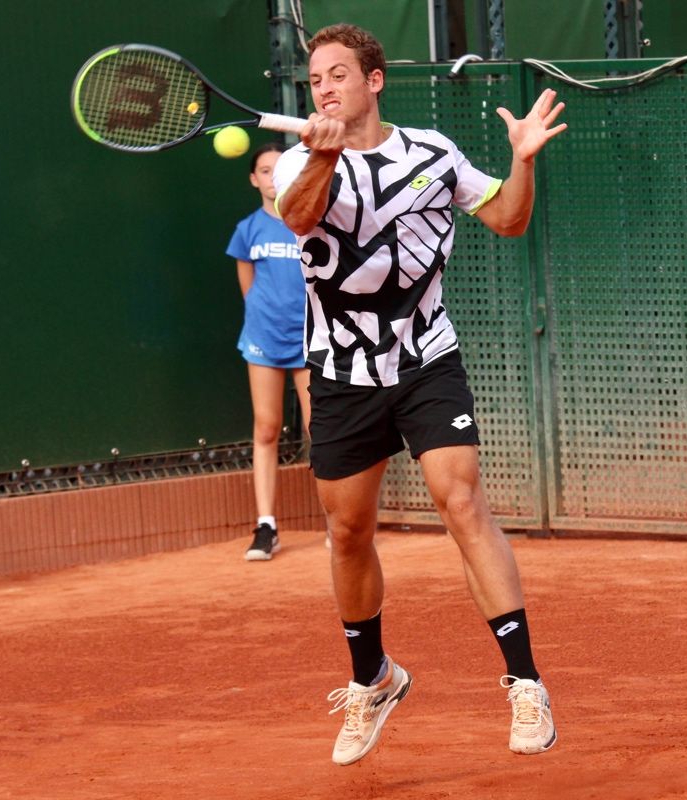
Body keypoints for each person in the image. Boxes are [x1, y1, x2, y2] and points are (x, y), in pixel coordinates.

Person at [272, 23, 566, 762]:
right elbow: (301, 216)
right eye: (315, 80)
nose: (326, 89)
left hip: (425, 359)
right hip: (340, 374)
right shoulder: (298, 165)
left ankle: (526, 684)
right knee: (347, 531)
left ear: (374, 81)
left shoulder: (433, 153)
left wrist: (521, 161)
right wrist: (325, 152)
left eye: (339, 74)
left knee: (459, 496)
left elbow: (508, 218)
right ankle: (373, 677)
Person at [226, 142, 311, 561]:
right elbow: (248, 284)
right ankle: (266, 526)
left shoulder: (309, 222)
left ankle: (341, 522)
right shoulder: (248, 229)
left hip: (310, 339)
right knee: (265, 427)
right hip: (263, 339)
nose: (271, 176)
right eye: (263, 170)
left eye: (279, 168)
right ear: (253, 180)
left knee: (322, 431)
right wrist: (262, 319)